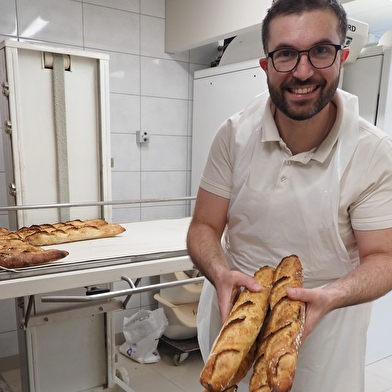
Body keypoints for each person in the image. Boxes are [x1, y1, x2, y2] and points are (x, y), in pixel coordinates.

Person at [186, 0, 392, 391]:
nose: (302, 71)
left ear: (341, 57)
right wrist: (219, 272)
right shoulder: (234, 135)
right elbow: (204, 225)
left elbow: (384, 257)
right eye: (285, 54)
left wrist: (331, 295)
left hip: (326, 340)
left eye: (320, 50)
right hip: (235, 327)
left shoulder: (372, 152)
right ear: (266, 65)